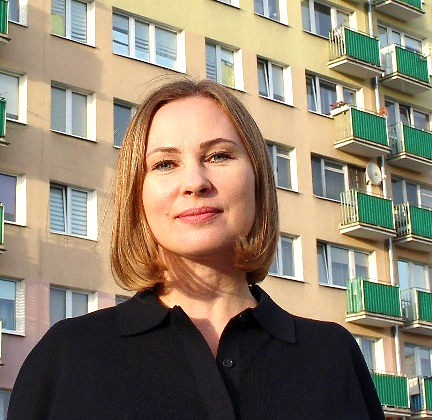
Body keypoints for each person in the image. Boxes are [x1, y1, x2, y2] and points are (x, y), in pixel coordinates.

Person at [7, 79, 385, 420]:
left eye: (219, 156)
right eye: (165, 163)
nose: (195, 182)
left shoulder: (331, 355)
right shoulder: (70, 355)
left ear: (257, 179)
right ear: (137, 195)